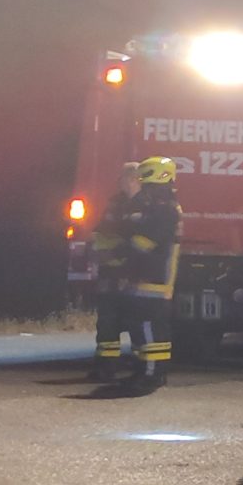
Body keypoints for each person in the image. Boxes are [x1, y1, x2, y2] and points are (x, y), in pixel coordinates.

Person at [117, 156, 184, 393]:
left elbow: (143, 243)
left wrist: (120, 247)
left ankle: (152, 374)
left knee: (150, 328)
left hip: (155, 278)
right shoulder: (160, 208)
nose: (144, 190)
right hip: (147, 277)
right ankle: (145, 370)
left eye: (147, 185)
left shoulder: (165, 210)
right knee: (143, 328)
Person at [88, 163, 141, 382]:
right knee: (108, 319)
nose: (120, 182)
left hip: (133, 270)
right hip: (110, 269)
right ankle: (106, 366)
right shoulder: (116, 203)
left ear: (133, 179)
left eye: (124, 178)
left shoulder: (146, 205)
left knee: (137, 319)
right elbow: (104, 229)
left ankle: (140, 366)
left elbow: (141, 240)